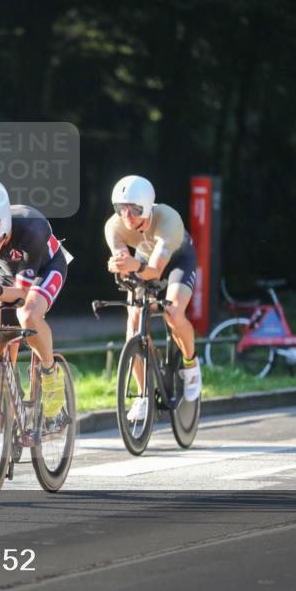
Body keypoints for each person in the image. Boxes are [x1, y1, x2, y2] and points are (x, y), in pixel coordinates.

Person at [0, 181, 72, 437]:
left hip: (45, 269)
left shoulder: (32, 226)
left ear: (5, 224)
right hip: (6, 273)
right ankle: (3, 412)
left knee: (27, 315)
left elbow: (22, 294)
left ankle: (50, 375)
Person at [105, 175, 202, 422]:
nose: (127, 216)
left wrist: (132, 265)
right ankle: (142, 395)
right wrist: (118, 266)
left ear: (147, 207)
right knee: (134, 323)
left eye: (135, 209)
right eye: (121, 208)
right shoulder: (113, 226)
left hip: (177, 261)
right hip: (145, 260)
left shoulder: (168, 219)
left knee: (173, 313)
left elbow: (156, 271)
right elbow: (126, 266)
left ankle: (191, 365)